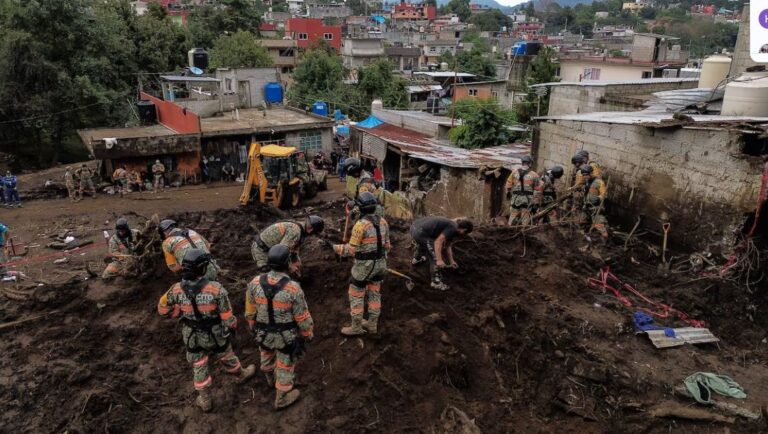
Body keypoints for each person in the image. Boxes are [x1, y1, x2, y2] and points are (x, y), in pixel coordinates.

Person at [157, 249, 256, 412]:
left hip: (191, 335)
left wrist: (177, 311)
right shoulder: (216, 289)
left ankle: (205, 400)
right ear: (202, 268)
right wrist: (232, 327)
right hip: (215, 334)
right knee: (226, 356)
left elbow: (162, 309)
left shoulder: (175, 289)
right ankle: (240, 375)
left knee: (199, 364)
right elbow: (227, 318)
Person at [245, 244, 314, 410]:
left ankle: (270, 379)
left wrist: (254, 328)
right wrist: (307, 333)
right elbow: (302, 317)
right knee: (285, 365)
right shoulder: (293, 288)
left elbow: (249, 312)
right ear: (287, 263)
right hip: (286, 336)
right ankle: (281, 398)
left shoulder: (254, 283)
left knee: (266, 354)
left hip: (262, 333)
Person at [330, 192, 391, 335]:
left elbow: (351, 250)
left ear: (360, 207)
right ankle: (372, 324)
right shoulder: (383, 222)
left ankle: (356, 327)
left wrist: (334, 247)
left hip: (364, 267)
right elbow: (387, 246)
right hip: (380, 265)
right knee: (375, 294)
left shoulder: (360, 225)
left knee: (356, 294)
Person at [410, 216, 473, 290]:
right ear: (464, 230)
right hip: (419, 232)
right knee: (434, 254)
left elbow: (448, 245)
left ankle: (416, 259)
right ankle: (436, 282)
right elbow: (438, 242)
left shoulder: (453, 227)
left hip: (414, 228)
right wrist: (439, 260)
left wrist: (451, 261)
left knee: (427, 243)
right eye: (465, 233)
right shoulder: (453, 227)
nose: (463, 235)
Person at [251, 216, 325, 274]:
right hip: (261, 249)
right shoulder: (296, 232)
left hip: (270, 247)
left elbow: (293, 248)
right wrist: (290, 267)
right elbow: (280, 253)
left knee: (280, 271)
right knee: (269, 274)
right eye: (314, 233)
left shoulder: (300, 228)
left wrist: (296, 260)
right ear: (311, 230)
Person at [505, 156, 540, 226]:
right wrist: (536, 203)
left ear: (522, 163)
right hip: (527, 200)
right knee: (525, 217)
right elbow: (537, 190)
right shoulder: (535, 175)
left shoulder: (514, 172)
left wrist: (508, 193)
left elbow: (508, 184)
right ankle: (524, 230)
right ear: (529, 163)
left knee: (513, 215)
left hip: (515, 198)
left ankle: (509, 228)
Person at [578, 164, 609, 242]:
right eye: (584, 175)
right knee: (582, 221)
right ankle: (586, 236)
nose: (585, 177)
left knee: (599, 225)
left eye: (587, 175)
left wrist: (598, 199)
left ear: (591, 173)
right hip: (587, 206)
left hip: (596, 208)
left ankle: (604, 241)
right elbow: (586, 192)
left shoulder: (599, 182)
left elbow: (604, 194)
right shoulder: (587, 182)